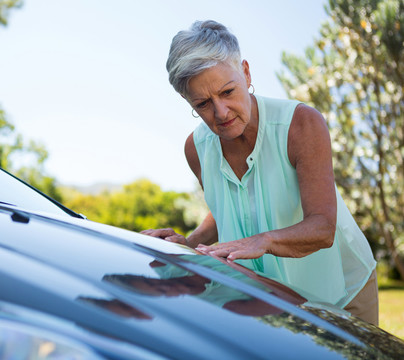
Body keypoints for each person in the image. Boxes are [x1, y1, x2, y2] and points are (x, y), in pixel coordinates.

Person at [141, 20, 378, 325]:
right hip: (270, 298)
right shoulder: (196, 149)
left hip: (342, 291)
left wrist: (261, 241)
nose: (221, 112)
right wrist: (190, 243)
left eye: (228, 91)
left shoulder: (301, 124)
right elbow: (226, 208)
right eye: (202, 103)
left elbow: (322, 228)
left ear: (246, 73)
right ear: (188, 101)